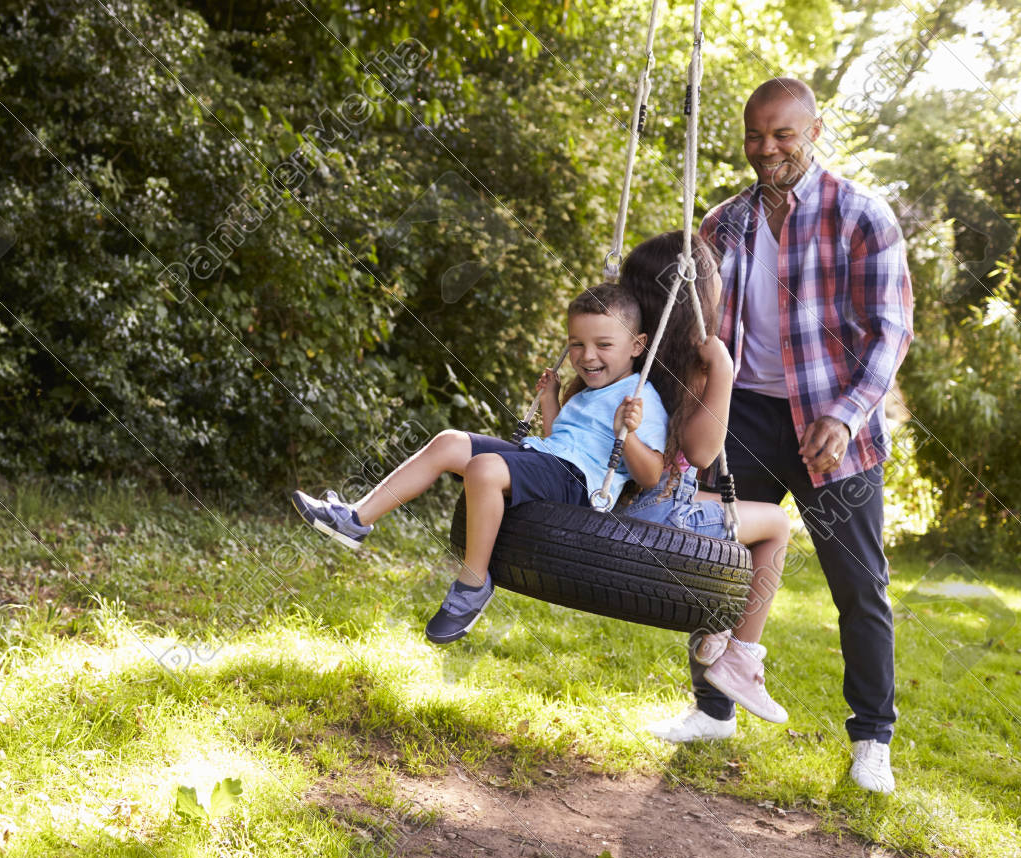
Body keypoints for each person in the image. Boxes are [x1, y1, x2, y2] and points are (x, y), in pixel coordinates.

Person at [649, 78, 914, 795]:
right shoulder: (724, 223)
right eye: (755, 137)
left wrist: (849, 412)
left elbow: (892, 333)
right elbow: (695, 327)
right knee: (713, 563)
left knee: (860, 585)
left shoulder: (861, 215)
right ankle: (712, 708)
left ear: (815, 130)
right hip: (744, 418)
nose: (767, 149)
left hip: (831, 424)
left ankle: (871, 738)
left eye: (783, 135)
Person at [291, 283, 667, 644]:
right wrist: (550, 400)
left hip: (579, 485)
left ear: (637, 346)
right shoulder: (589, 392)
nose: (587, 356)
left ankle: (472, 583)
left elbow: (650, 475)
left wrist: (628, 433)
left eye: (603, 344)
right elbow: (559, 441)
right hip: (549, 460)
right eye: (576, 345)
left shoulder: (640, 397)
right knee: (449, 442)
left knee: (484, 468)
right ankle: (355, 520)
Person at [616, 230, 794, 728]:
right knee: (776, 523)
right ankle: (741, 655)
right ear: (693, 290)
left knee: (728, 514)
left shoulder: (621, 351)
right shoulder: (695, 363)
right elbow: (700, 450)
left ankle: (717, 629)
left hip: (614, 504)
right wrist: (725, 373)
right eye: (712, 276)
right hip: (661, 515)